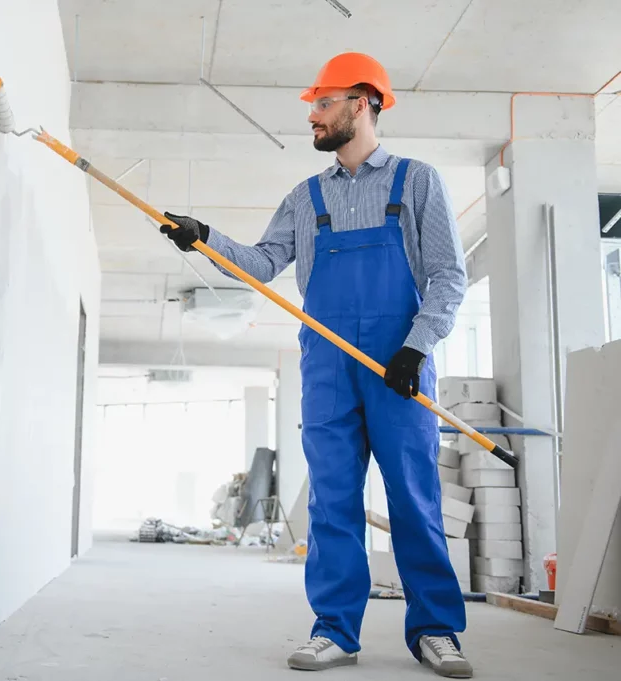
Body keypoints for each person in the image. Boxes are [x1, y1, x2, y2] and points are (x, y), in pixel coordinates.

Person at [161, 52, 471, 678]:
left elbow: (447, 276)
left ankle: (436, 630)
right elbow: (262, 263)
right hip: (328, 365)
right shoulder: (305, 198)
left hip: (397, 366)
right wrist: (204, 237)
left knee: (414, 500)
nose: (313, 115)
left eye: (323, 103)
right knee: (332, 502)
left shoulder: (417, 181)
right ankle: (335, 630)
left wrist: (415, 348)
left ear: (363, 103)